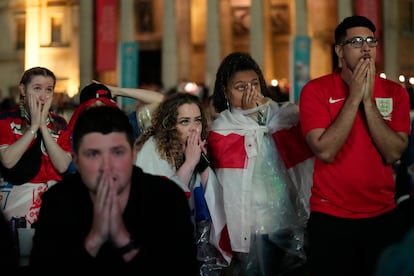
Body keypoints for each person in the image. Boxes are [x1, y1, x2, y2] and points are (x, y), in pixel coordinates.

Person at [299, 15, 411, 276]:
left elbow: (394, 151)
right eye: (357, 41)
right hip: (330, 216)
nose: (365, 47)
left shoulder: (395, 92)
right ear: (339, 50)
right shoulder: (315, 91)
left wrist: (368, 101)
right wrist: (353, 98)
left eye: (371, 41)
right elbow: (325, 150)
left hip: (383, 215)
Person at [29, 105, 198, 274]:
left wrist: (123, 240)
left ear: (133, 155)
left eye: (117, 152)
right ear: (76, 161)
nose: (107, 166)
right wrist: (94, 240)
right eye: (93, 154)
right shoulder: (58, 202)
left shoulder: (166, 199)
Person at [207, 52, 314, 276]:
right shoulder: (222, 128)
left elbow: (300, 120)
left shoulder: (281, 116)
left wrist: (263, 114)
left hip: (287, 220)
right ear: (225, 92)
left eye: (254, 84)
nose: (251, 92)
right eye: (240, 87)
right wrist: (254, 119)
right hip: (250, 225)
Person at [134, 92, 229, 275]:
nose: (194, 128)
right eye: (185, 122)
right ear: (170, 126)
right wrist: (190, 163)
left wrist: (202, 163)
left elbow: (212, 199)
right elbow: (162, 205)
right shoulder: (152, 150)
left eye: (197, 120)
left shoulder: (198, 148)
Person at [0, 66, 72, 226]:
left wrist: (44, 127)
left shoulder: (60, 123)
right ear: (23, 90)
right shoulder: (6, 119)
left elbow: (62, 166)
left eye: (49, 90)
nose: (43, 96)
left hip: (54, 199)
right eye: (37, 88)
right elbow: (8, 161)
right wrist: (33, 127)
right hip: (17, 199)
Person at [63, 81, 164, 173]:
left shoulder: (126, 126)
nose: (99, 111)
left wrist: (117, 91)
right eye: (93, 107)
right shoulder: (72, 138)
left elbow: (162, 101)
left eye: (103, 105)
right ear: (83, 112)